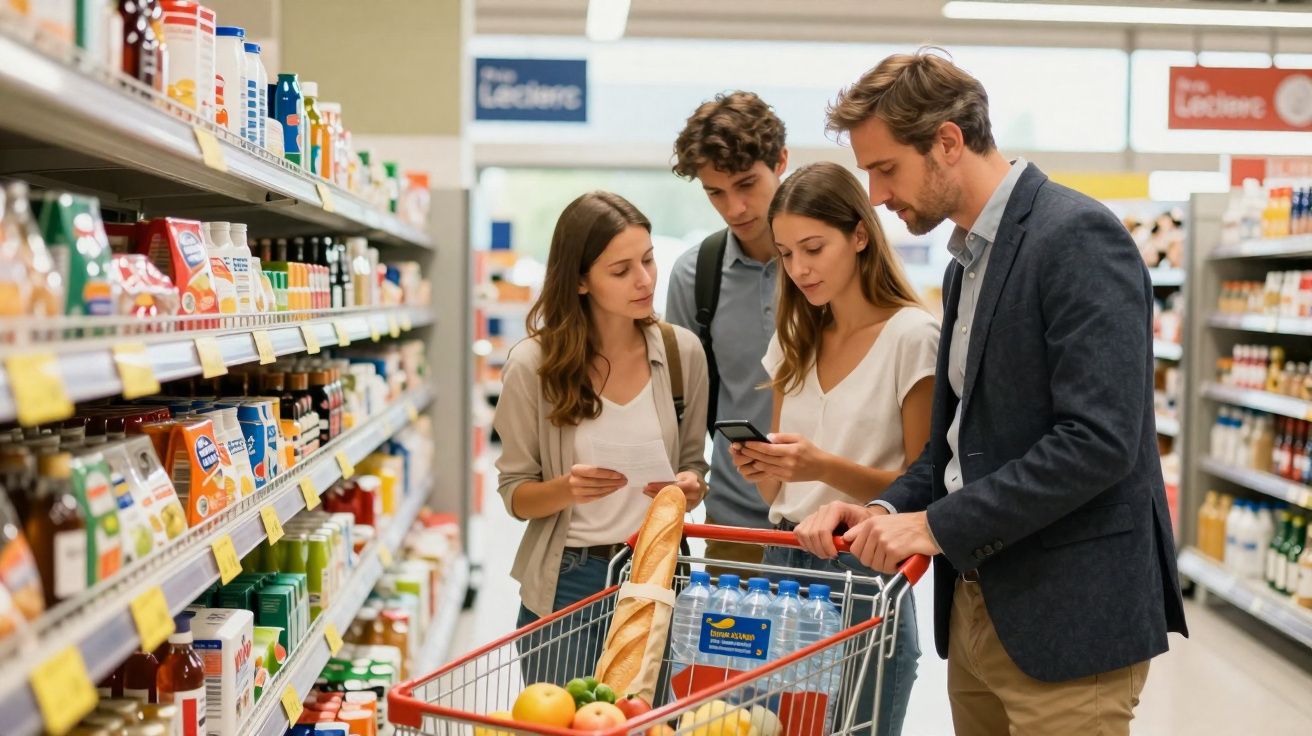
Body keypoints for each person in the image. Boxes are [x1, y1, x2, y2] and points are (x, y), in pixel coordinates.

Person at [794, 49, 1188, 736]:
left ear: (947, 141)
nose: (878, 196)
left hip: (1069, 624)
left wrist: (935, 527)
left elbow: (1098, 441)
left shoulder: (1076, 238)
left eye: (886, 169)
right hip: (978, 610)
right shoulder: (964, 267)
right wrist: (880, 508)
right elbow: (956, 449)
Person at [729, 161, 936, 736]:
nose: (799, 269)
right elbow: (779, 491)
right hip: (781, 564)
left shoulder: (911, 336)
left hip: (862, 569)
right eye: (787, 253)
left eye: (813, 248)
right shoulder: (794, 339)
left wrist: (820, 465)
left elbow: (921, 483)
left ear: (860, 235)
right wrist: (762, 466)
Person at [494, 191, 710, 683]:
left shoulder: (682, 355)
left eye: (649, 260)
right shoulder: (533, 367)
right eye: (621, 270)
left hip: (657, 574)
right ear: (580, 280)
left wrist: (691, 486)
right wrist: (566, 489)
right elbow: (516, 495)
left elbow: (696, 464)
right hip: (569, 581)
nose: (645, 280)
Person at [666, 91, 787, 573]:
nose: (734, 207)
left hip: (835, 523)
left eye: (747, 184)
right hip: (734, 523)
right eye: (715, 192)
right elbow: (680, 401)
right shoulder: (697, 275)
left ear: (781, 161)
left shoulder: (834, 260)